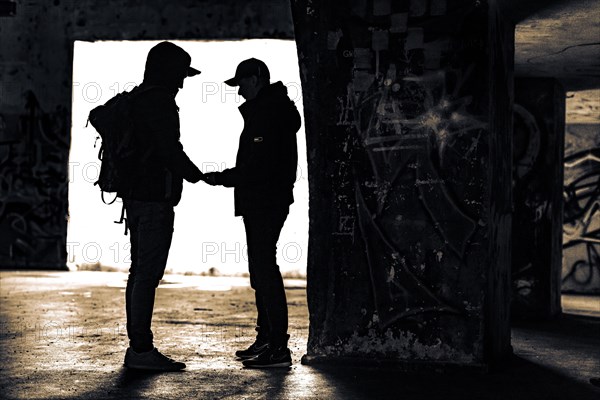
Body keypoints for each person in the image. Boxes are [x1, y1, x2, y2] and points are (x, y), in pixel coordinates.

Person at [203, 58, 301, 368]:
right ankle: (266, 338)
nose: (239, 91)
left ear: (256, 78)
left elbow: (257, 167)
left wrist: (222, 177)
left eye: (242, 84)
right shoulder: (268, 110)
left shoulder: (269, 113)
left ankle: (278, 347)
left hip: (265, 200)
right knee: (260, 270)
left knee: (265, 271)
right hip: (264, 200)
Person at [120, 41, 204, 371]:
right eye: (180, 74)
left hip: (136, 197)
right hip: (154, 199)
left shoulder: (138, 99)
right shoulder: (160, 102)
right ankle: (141, 349)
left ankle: (137, 346)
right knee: (147, 274)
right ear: (167, 71)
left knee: (138, 272)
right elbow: (169, 149)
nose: (182, 82)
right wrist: (197, 175)